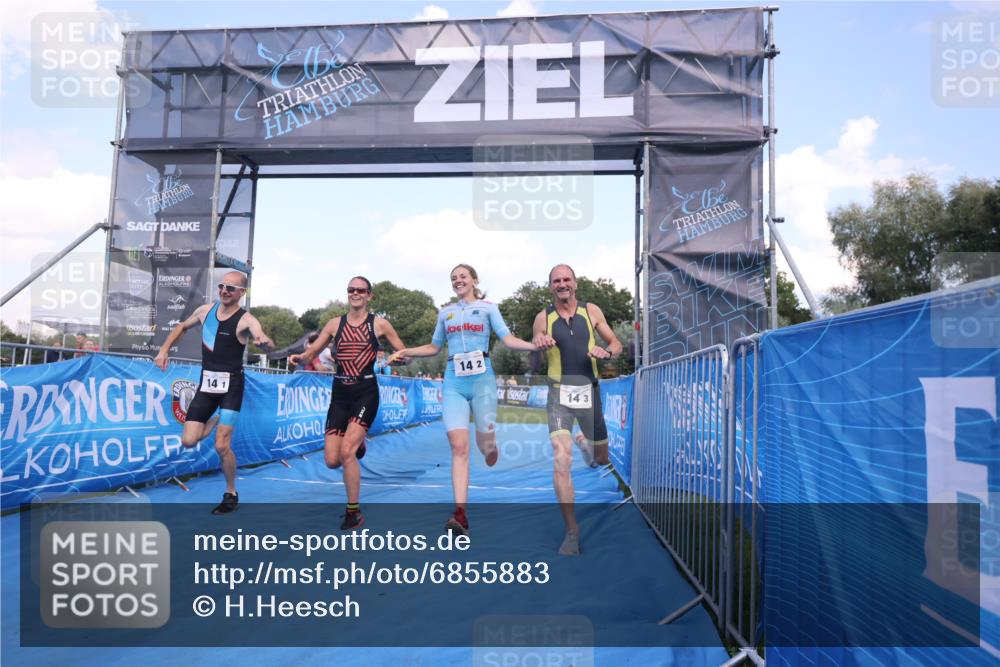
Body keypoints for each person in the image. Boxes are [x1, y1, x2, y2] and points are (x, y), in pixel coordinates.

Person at [390, 264, 538, 536]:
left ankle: (491, 446)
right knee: (459, 447)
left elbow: (508, 339)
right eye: (453, 278)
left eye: (462, 276)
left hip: (482, 380)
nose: (458, 281)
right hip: (453, 381)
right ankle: (460, 514)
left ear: (474, 280)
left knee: (485, 445)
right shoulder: (445, 312)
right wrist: (405, 350)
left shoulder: (488, 308)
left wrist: (534, 345)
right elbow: (434, 347)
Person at [289, 277, 407, 531]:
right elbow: (312, 352)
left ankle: (353, 512)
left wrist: (399, 360)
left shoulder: (380, 324)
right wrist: (300, 357)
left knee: (346, 452)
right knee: (332, 460)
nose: (355, 293)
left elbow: (403, 354)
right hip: (340, 392)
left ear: (369, 295)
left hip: (366, 391)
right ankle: (358, 443)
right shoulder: (334, 324)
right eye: (351, 290)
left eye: (360, 290)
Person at [154, 271, 273, 515]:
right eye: (222, 286)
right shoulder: (204, 311)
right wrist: (164, 349)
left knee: (221, 446)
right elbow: (181, 327)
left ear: (242, 293)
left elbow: (261, 335)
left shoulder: (246, 319)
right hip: (207, 385)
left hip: (232, 387)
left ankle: (230, 492)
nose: (225, 291)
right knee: (189, 441)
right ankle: (213, 420)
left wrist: (264, 342)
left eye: (231, 288)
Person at [532, 264, 623, 555]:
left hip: (589, 391)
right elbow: (535, 344)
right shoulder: (543, 317)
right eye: (556, 281)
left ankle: (587, 444)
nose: (562, 284)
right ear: (551, 287)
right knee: (561, 457)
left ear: (575, 283)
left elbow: (616, 343)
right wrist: (539, 343)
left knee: (601, 457)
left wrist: (606, 352)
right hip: (559, 393)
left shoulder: (591, 310)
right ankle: (572, 531)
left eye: (566, 279)